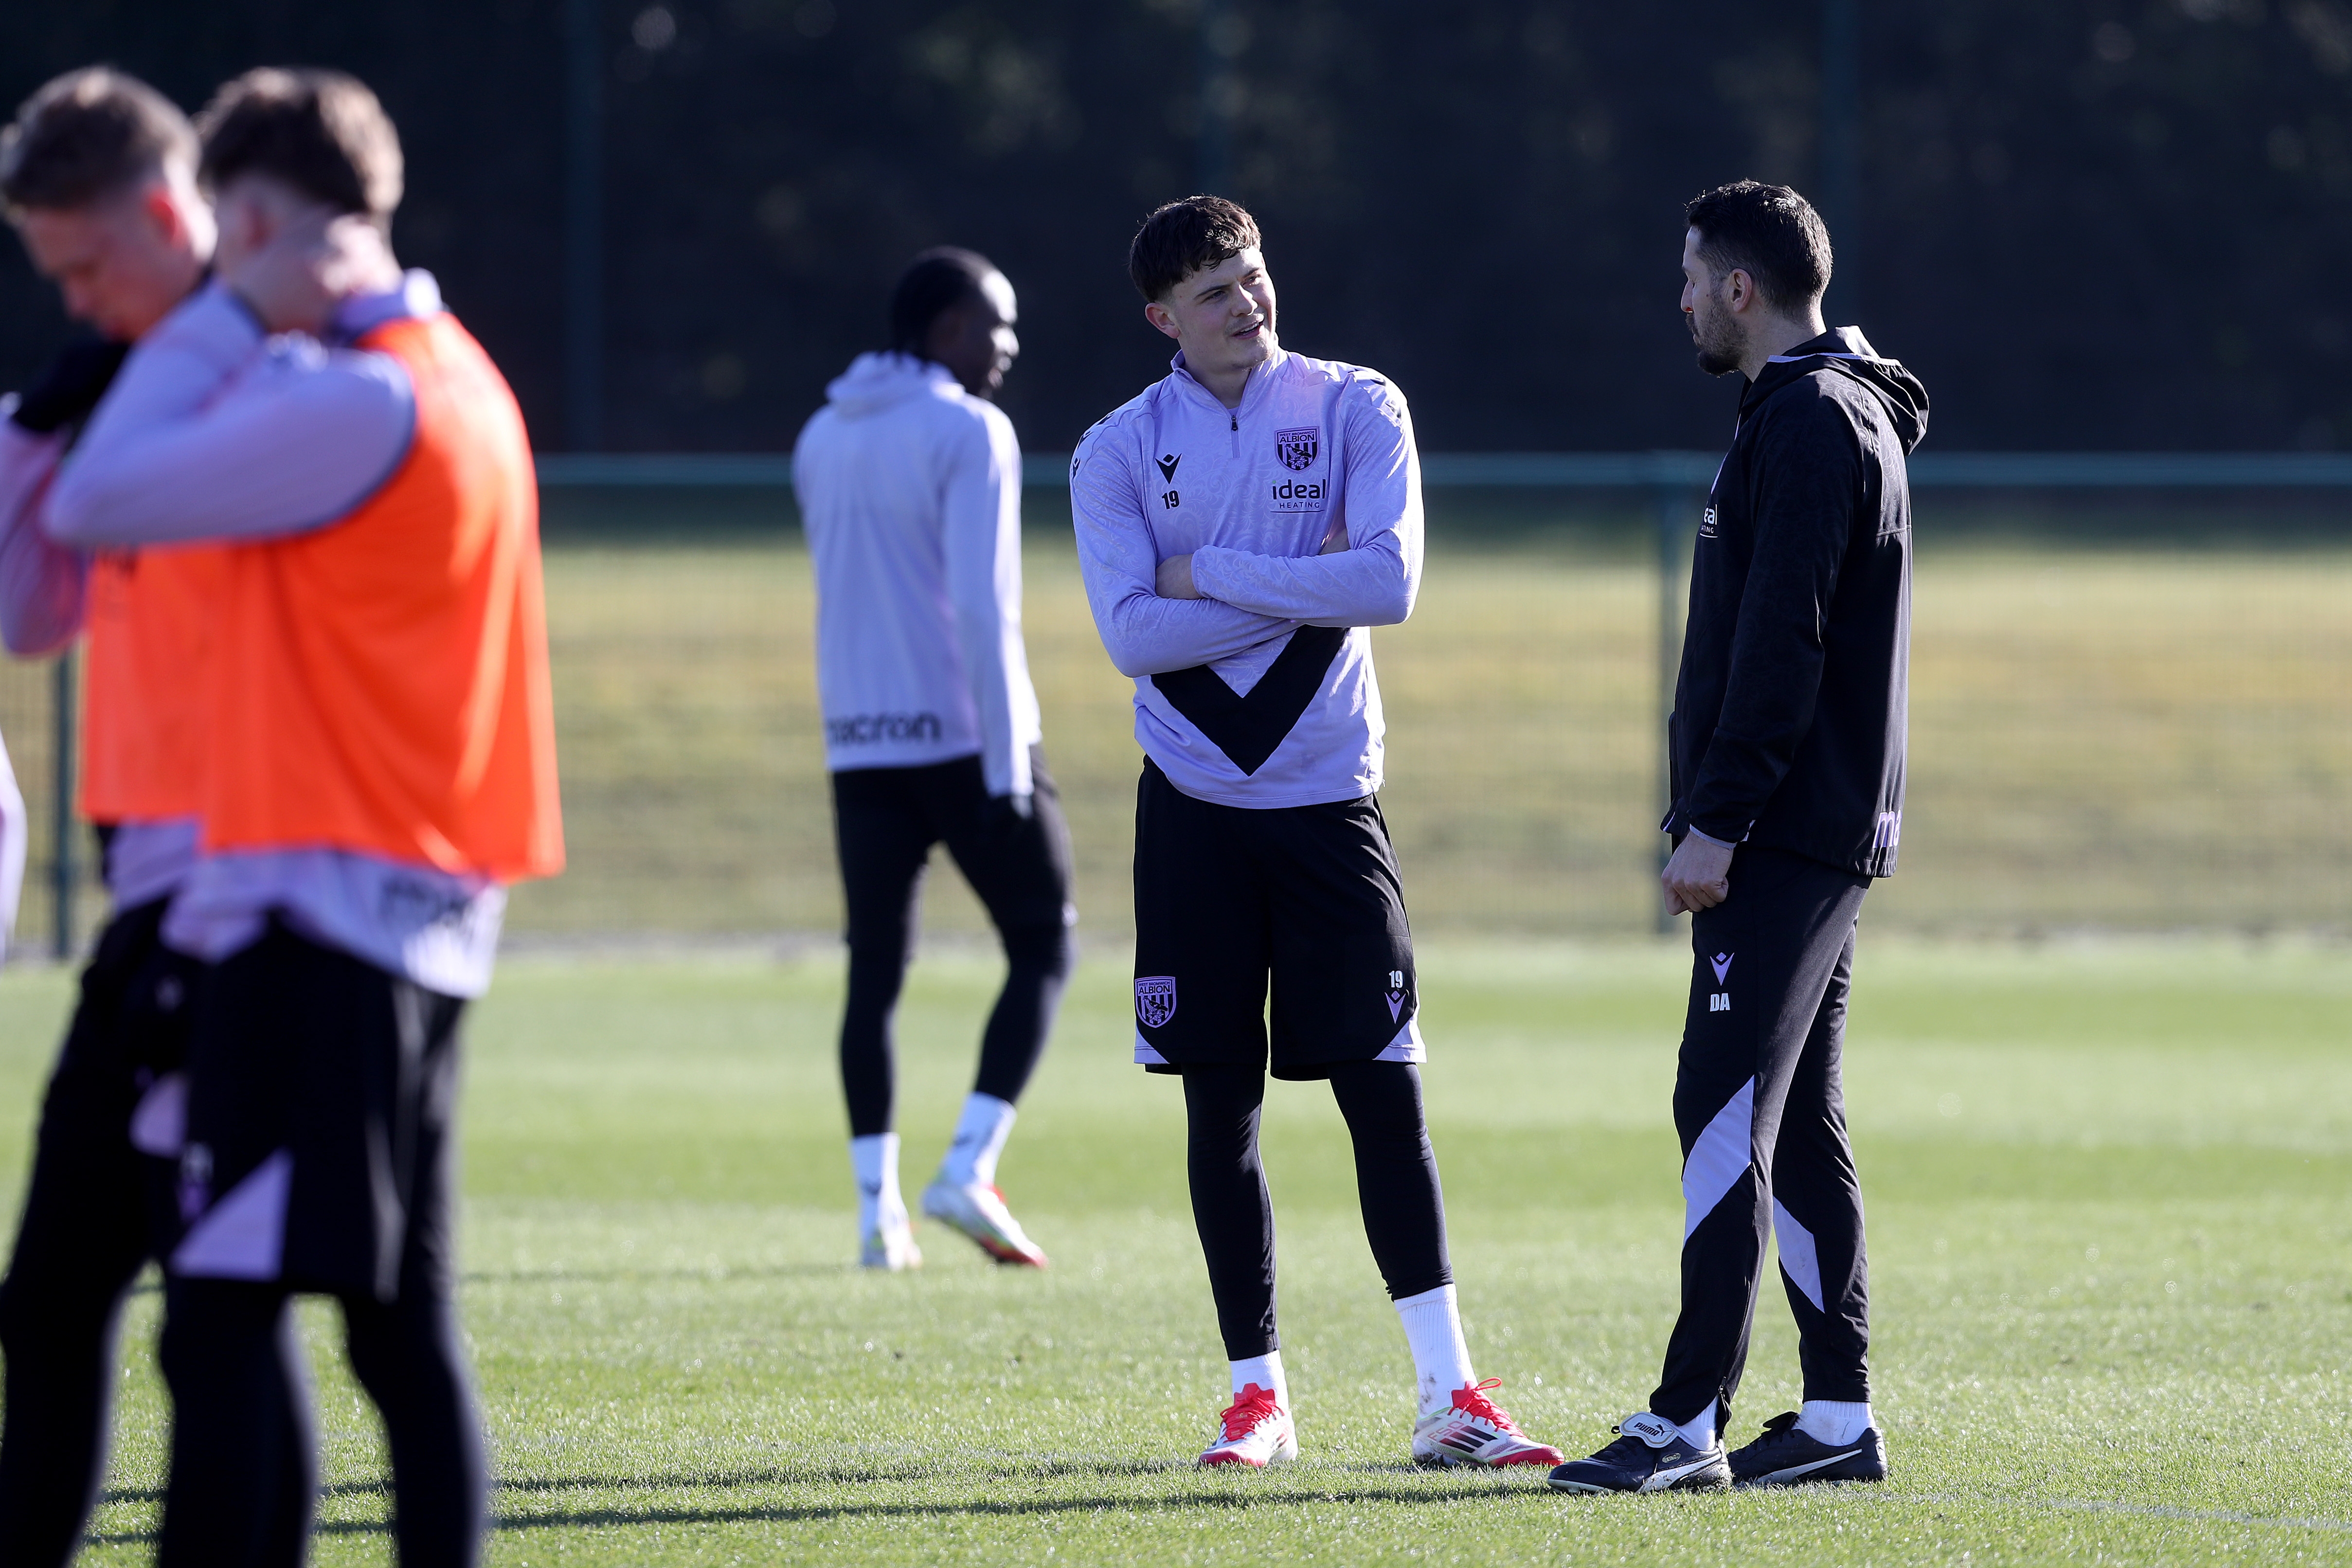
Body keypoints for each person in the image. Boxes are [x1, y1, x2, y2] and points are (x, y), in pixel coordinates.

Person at [44, 68, 563, 1565]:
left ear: (260, 221)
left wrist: (217, 318)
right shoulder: (452, 372)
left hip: (319, 919)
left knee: (222, 1331)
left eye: (230, 243)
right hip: (398, 904)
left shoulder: (364, 394)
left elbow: (100, 502)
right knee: (395, 1337)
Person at [1070, 195, 1559, 1471]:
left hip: (1330, 806)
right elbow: (1129, 637)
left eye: (1253, 275)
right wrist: (1295, 576)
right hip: (1190, 816)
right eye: (1215, 290)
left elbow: (1386, 584)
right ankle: (1256, 1398)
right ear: (1161, 318)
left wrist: (1209, 573)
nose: (1247, 302)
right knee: (1216, 1108)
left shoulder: (1356, 407)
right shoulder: (1115, 450)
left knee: (1381, 1094)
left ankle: (1451, 1397)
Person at [1548, 180, 1925, 1496]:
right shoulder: (1807, 412)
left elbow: (1782, 648)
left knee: (1716, 1109)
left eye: (1690, 277)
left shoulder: (1815, 421)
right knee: (1797, 1116)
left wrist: (1716, 820)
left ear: (1741, 291)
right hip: (1809, 830)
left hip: (1779, 833)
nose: (1679, 301)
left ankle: (1682, 1426)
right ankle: (1833, 1422)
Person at [0, 68, 310, 1568]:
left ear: (173, 213)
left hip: (260, 895)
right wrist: (31, 435)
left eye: (84, 265)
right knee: (56, 1299)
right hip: (147, 903)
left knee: (223, 1319)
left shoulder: (278, 374)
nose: (72, 298)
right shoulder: (121, 384)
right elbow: (23, 613)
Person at [792, 248, 1074, 1271]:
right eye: (995, 325)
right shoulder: (971, 429)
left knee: (875, 970)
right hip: (963, 740)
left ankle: (878, 1215)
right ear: (947, 329)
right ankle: (968, 1165)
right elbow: (980, 607)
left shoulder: (822, 432)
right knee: (1045, 940)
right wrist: (1007, 763)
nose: (1008, 346)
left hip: (858, 741)